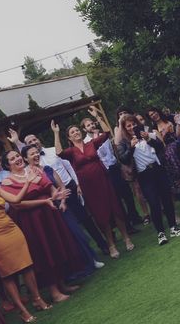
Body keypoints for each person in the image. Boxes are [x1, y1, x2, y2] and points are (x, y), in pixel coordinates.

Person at [0, 151, 85, 305]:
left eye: (18, 156)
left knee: (55, 247)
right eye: (12, 159)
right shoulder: (6, 182)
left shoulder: (34, 170)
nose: (17, 159)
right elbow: (17, 204)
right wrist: (45, 201)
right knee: (43, 252)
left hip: (49, 214)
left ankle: (62, 284)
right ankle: (53, 292)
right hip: (31, 220)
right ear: (7, 165)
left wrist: (55, 196)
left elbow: (49, 186)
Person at [10, 129, 109, 256]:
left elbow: (68, 165)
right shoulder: (32, 162)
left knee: (86, 219)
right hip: (53, 196)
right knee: (68, 227)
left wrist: (77, 183)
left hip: (69, 188)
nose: (34, 142)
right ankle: (82, 254)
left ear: (39, 140)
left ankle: (103, 244)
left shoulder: (53, 151)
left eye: (35, 139)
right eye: (30, 142)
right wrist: (17, 142)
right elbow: (25, 154)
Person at [54, 110, 135, 259]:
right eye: (73, 132)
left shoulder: (91, 143)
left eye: (77, 130)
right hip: (89, 187)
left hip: (103, 181)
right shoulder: (71, 152)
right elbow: (59, 152)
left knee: (115, 209)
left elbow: (105, 133)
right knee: (100, 215)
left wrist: (98, 117)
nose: (76, 133)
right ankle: (111, 245)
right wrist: (56, 133)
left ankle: (126, 238)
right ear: (69, 137)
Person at [20, 145, 104, 274]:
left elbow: (61, 186)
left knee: (77, 233)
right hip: (45, 210)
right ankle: (72, 269)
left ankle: (91, 259)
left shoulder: (48, 169)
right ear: (25, 158)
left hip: (61, 206)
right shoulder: (27, 176)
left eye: (36, 152)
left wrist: (63, 202)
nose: (36, 155)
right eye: (31, 154)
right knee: (61, 239)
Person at [0, 162, 52, 323]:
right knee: (8, 273)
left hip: (12, 230)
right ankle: (22, 311)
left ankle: (37, 298)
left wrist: (28, 182)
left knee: (27, 265)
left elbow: (16, 199)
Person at [117, 115, 180, 246]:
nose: (132, 127)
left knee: (167, 199)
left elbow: (160, 146)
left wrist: (148, 138)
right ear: (125, 128)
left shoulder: (146, 133)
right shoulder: (124, 142)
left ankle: (173, 227)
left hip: (158, 169)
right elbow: (123, 159)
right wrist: (131, 147)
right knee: (154, 204)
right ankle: (161, 233)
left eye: (133, 124)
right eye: (128, 126)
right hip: (144, 175)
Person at [83, 112, 146, 229]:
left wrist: (120, 166)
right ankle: (127, 225)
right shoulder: (86, 143)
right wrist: (96, 137)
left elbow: (112, 150)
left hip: (115, 167)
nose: (91, 126)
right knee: (117, 199)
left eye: (92, 123)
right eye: (88, 125)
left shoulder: (103, 134)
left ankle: (134, 217)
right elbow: (97, 154)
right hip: (105, 171)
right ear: (84, 129)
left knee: (127, 194)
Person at [146, 107, 180, 201]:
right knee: (172, 157)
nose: (154, 115)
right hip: (169, 148)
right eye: (151, 115)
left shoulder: (170, 118)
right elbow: (161, 144)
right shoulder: (153, 129)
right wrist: (165, 133)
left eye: (154, 112)